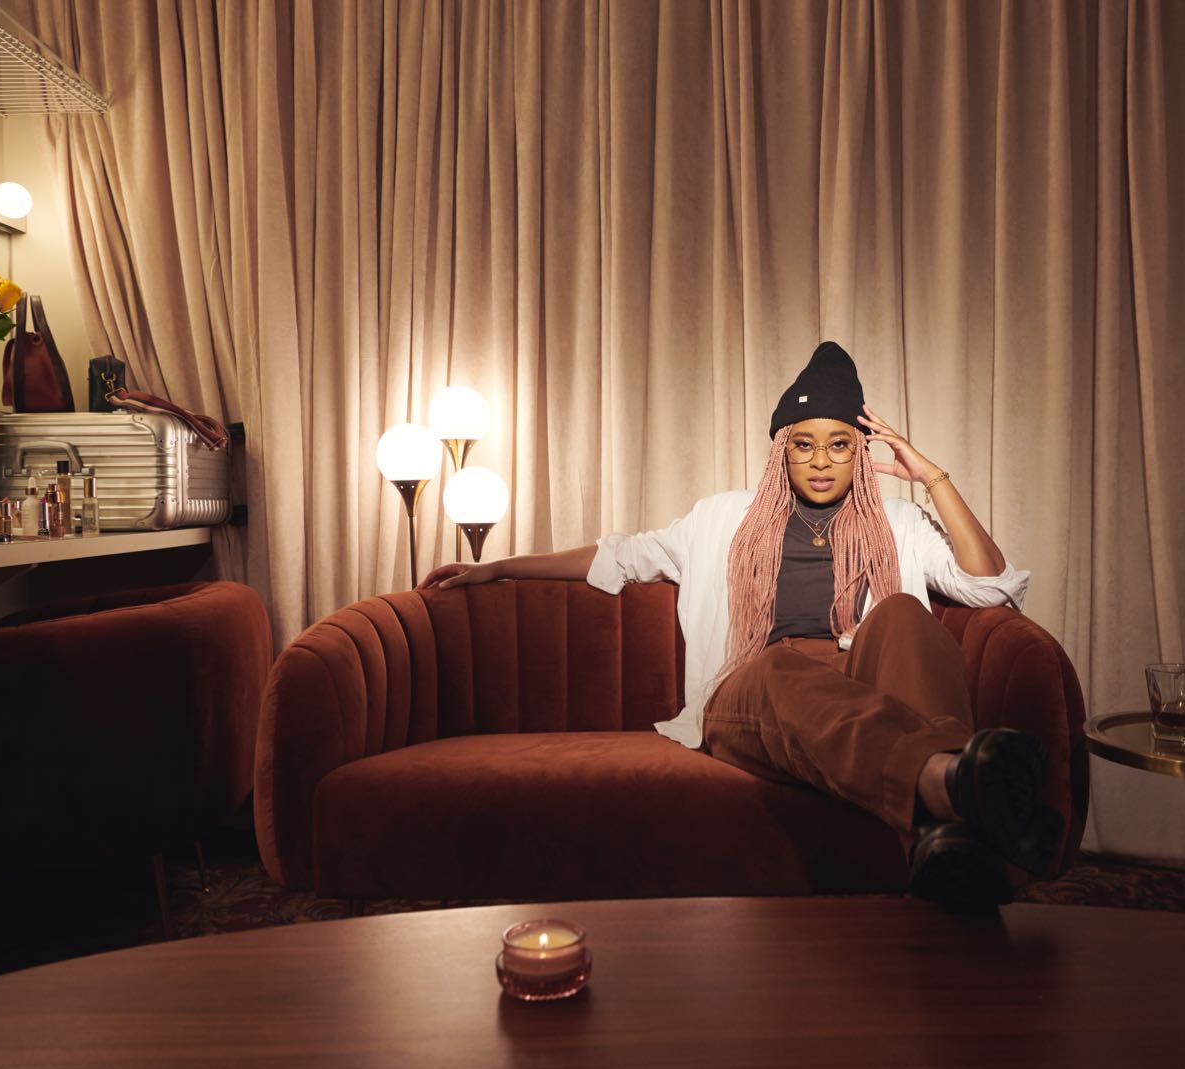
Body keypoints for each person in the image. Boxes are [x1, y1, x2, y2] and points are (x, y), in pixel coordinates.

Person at [419, 341, 1061, 909]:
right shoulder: (723, 518)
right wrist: (498, 567)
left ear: (861, 454)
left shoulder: (897, 524)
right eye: (804, 444)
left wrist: (932, 477)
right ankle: (963, 788)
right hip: (754, 689)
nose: (821, 460)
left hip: (858, 682)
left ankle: (949, 821)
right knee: (780, 666)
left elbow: (990, 585)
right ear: (782, 451)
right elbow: (618, 555)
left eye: (839, 444)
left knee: (903, 614)